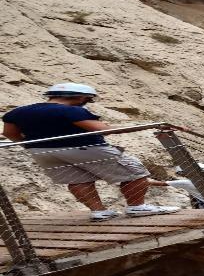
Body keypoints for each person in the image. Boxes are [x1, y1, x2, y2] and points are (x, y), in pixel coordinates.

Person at [1, 83, 179, 221]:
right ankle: (137, 207)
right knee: (134, 172)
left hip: (42, 152)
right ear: (81, 97)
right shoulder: (71, 111)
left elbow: (9, 133)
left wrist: (30, 146)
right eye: (88, 99)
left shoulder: (17, 112)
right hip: (84, 148)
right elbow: (103, 130)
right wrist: (149, 126)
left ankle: (99, 211)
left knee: (77, 179)